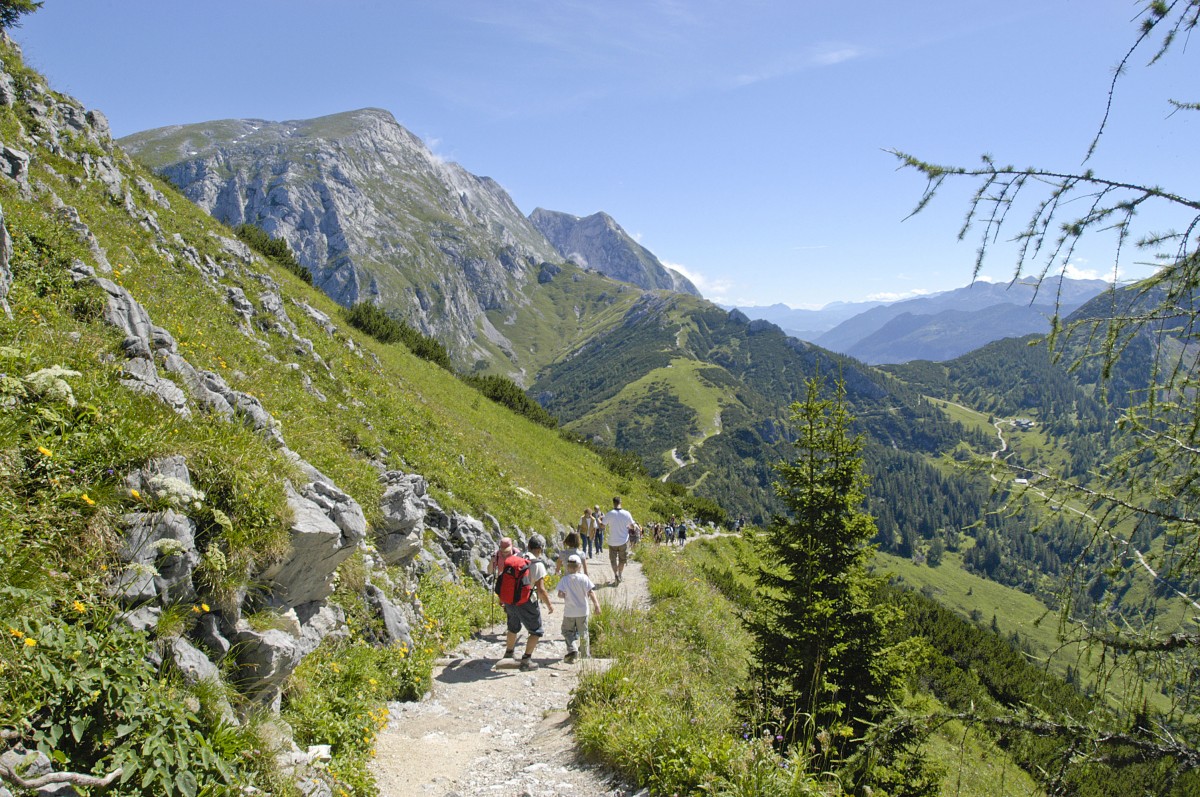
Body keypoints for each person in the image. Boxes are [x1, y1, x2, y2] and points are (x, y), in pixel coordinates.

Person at [502, 533, 553, 671]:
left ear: (528, 546)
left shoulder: (516, 557)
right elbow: (541, 590)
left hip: (511, 600)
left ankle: (508, 654)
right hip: (526, 601)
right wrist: (549, 605)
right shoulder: (537, 564)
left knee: (513, 627)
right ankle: (526, 660)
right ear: (540, 549)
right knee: (536, 631)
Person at [556, 554, 600, 663]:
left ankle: (573, 649)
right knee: (584, 633)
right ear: (579, 566)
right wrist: (596, 605)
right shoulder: (584, 578)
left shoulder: (565, 579)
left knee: (566, 631)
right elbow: (591, 592)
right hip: (583, 611)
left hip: (569, 612)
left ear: (567, 567)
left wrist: (565, 595)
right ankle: (585, 655)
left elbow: (560, 594)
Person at [603, 496, 636, 584]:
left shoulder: (609, 513)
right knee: (622, 560)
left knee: (613, 560)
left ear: (613, 502)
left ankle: (616, 574)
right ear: (620, 502)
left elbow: (603, 525)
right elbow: (632, 526)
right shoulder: (627, 513)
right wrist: (628, 526)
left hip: (612, 541)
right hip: (623, 541)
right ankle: (620, 574)